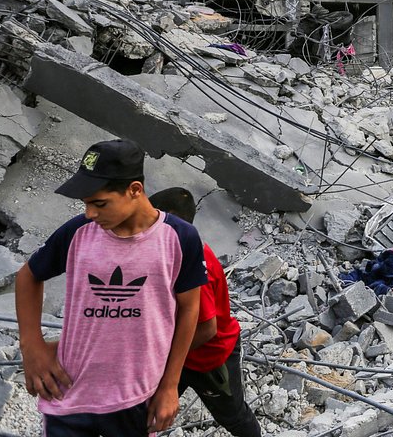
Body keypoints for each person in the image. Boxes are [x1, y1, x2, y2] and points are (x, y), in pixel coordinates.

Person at [15, 140, 206, 437]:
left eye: (100, 203)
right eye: (86, 204)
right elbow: (28, 277)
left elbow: (189, 309)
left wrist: (170, 385)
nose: (90, 213)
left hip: (135, 395)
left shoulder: (179, 238)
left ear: (134, 190)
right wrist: (32, 346)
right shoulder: (78, 233)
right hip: (70, 392)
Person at [149, 188, 262, 437]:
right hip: (181, 351)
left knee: (233, 416)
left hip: (211, 357)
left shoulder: (196, 264)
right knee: (145, 410)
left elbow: (207, 328)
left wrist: (167, 354)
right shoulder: (170, 252)